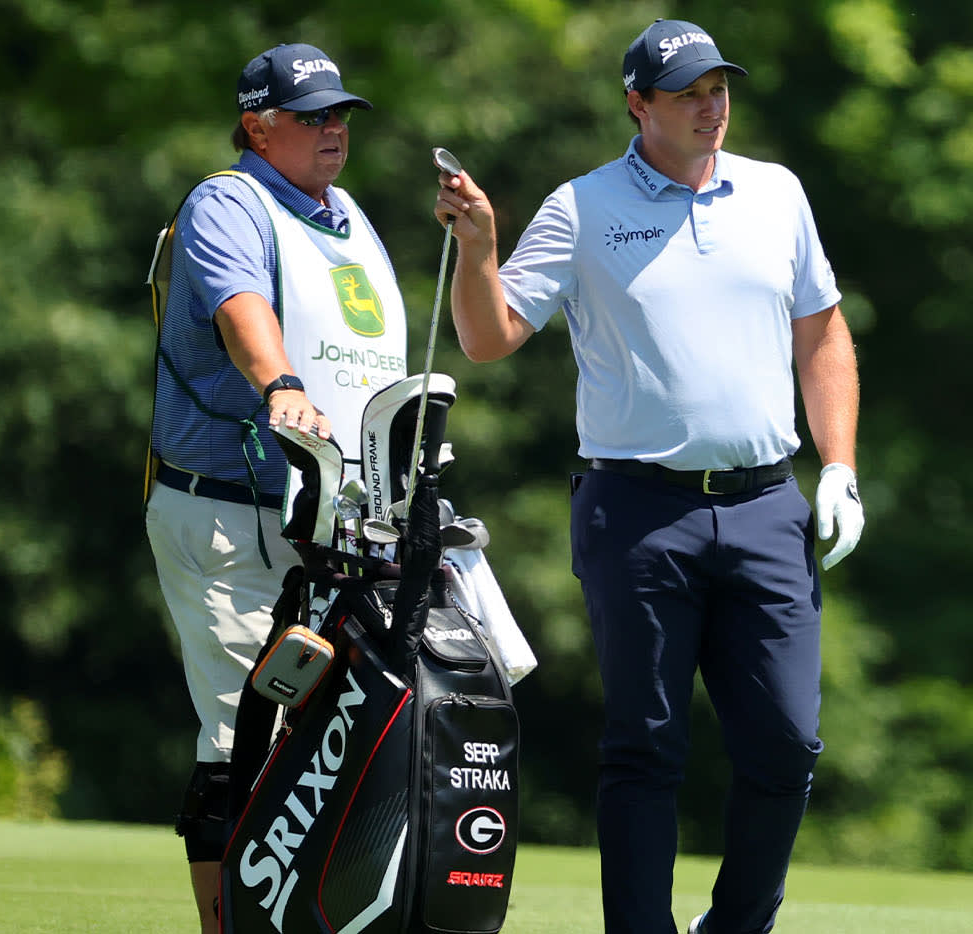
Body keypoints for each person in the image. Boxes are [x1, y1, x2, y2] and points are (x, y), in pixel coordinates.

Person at [433, 18, 864, 934]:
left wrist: (839, 466)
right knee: (646, 749)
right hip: (636, 513)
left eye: (719, 89)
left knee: (787, 746)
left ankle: (737, 925)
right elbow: (489, 337)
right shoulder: (582, 207)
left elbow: (821, 331)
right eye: (688, 94)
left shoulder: (776, 193)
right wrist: (478, 251)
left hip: (763, 508)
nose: (712, 107)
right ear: (639, 105)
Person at [144, 42, 406, 933]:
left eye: (341, 114)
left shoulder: (346, 215)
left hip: (329, 522)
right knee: (243, 740)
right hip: (226, 512)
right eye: (312, 115)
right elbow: (241, 310)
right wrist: (282, 387)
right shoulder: (230, 200)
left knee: (329, 743)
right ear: (258, 124)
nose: (335, 129)